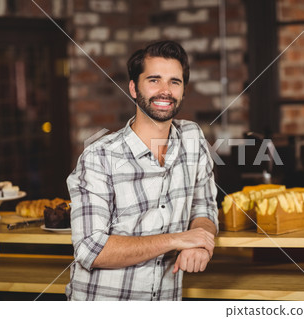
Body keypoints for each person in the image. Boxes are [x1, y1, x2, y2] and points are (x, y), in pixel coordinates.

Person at [66, 40, 218, 301]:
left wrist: (202, 242)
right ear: (134, 89)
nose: (165, 91)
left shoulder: (192, 139)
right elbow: (91, 249)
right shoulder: (99, 156)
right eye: (154, 80)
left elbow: (203, 208)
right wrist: (177, 240)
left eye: (174, 82)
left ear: (183, 91)